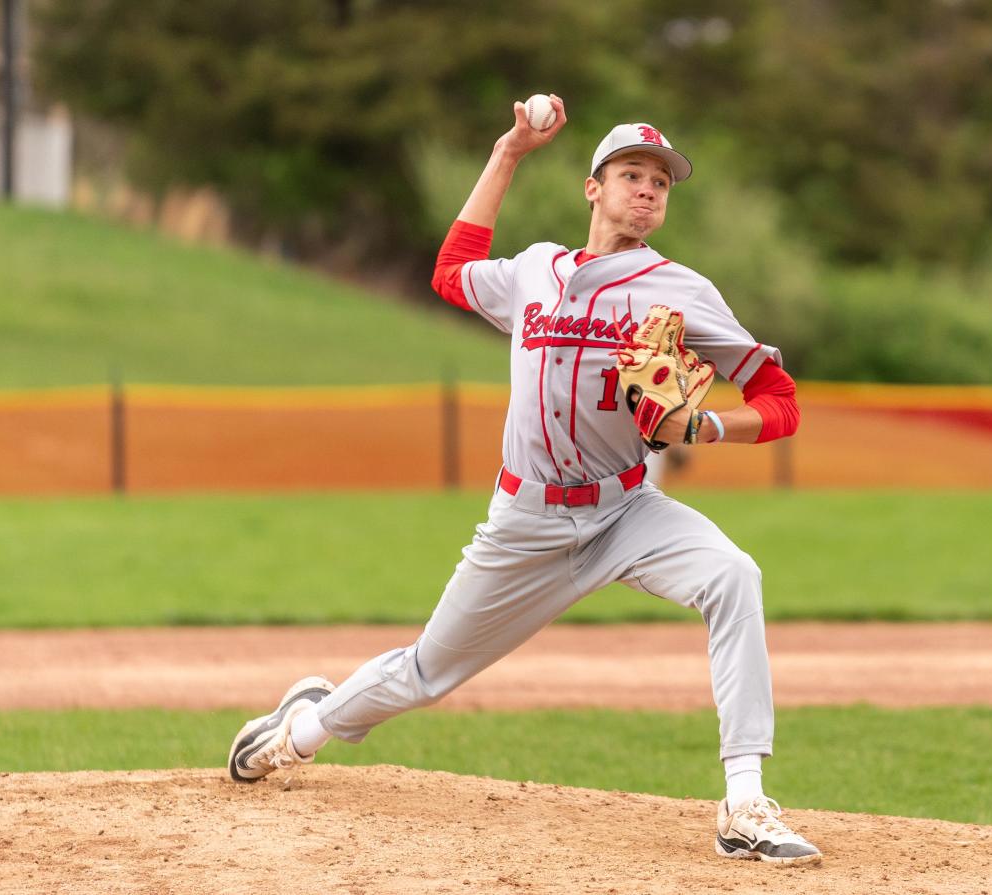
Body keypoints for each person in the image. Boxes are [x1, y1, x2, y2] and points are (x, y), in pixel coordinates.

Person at [227, 95, 819, 865]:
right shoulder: (536, 270)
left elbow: (781, 401)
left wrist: (707, 426)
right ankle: (297, 731)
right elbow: (450, 272)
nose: (647, 190)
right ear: (593, 188)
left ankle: (744, 801)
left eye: (661, 182)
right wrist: (508, 153)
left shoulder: (681, 290)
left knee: (733, 575)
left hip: (627, 508)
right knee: (425, 673)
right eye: (631, 174)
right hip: (526, 519)